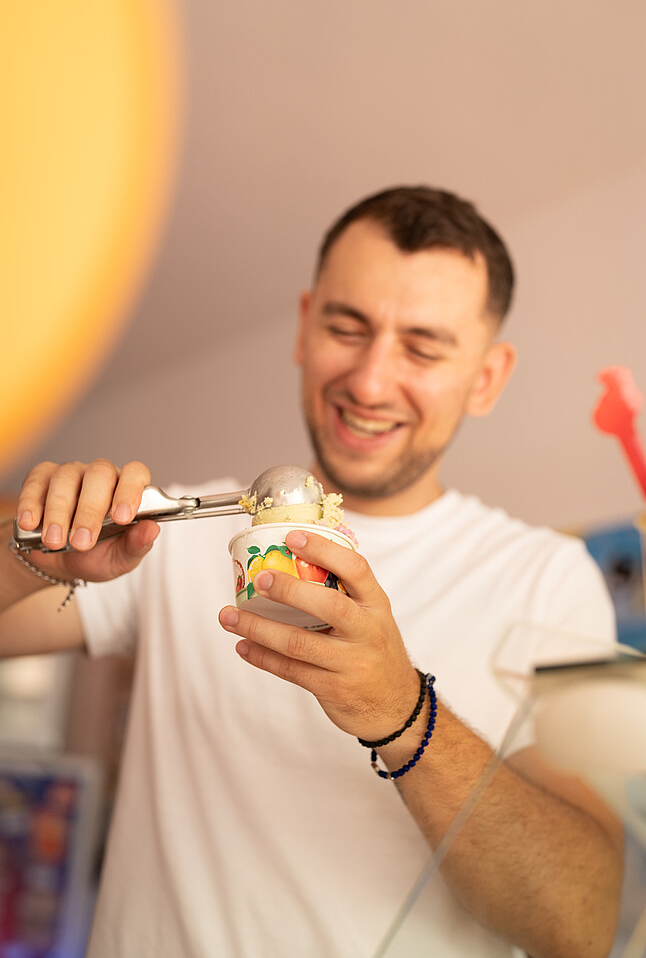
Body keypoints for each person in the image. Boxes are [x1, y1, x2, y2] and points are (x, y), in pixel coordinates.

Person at [0, 186, 623, 958]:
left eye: (423, 348)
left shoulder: (557, 578)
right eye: (347, 326)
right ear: (303, 326)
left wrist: (403, 713)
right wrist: (27, 551)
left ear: (487, 378)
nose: (368, 380)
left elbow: (586, 917)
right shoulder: (177, 533)